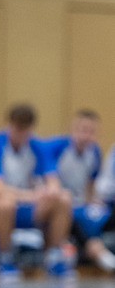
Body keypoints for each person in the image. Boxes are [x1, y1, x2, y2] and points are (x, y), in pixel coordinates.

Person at [0, 103, 73, 275]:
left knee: (63, 199)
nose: (21, 134)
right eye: (18, 129)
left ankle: (54, 256)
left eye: (25, 130)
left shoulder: (36, 146)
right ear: (8, 125)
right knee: (5, 203)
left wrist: (51, 191)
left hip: (25, 207)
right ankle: (4, 258)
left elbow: (53, 181)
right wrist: (32, 195)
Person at [43, 110, 115, 273]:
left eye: (91, 132)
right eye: (83, 130)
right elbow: (50, 180)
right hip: (57, 201)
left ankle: (93, 248)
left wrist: (92, 203)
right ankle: (93, 249)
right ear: (73, 129)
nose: (86, 135)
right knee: (65, 203)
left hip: (79, 203)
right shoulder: (56, 147)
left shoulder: (94, 152)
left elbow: (90, 184)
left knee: (99, 214)